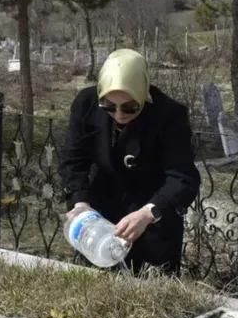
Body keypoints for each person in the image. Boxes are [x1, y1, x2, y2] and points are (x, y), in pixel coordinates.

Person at [59, 49, 201, 275]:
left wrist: (148, 213)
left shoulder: (169, 115)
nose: (119, 114)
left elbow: (183, 178)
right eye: (109, 106)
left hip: (151, 222)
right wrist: (79, 202)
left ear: (143, 95)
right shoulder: (86, 104)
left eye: (129, 107)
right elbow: (73, 160)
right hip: (99, 219)